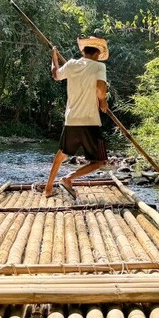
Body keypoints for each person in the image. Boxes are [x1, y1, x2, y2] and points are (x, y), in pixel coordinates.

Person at [43, 36, 109, 198]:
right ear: (97, 53)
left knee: (60, 155)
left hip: (72, 120)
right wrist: (102, 101)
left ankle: (48, 189)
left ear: (84, 51)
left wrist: (54, 57)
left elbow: (55, 75)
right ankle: (68, 178)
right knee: (99, 161)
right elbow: (101, 89)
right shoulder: (99, 67)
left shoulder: (72, 64)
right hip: (91, 122)